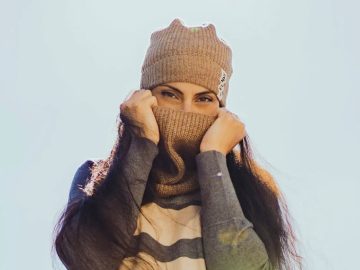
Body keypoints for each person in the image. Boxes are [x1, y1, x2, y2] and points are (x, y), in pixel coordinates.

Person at [52, 18, 303, 270]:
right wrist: (142, 143)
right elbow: (86, 259)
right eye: (170, 94)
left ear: (221, 110)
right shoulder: (98, 177)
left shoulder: (250, 190)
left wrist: (213, 158)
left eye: (204, 99)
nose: (186, 110)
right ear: (145, 99)